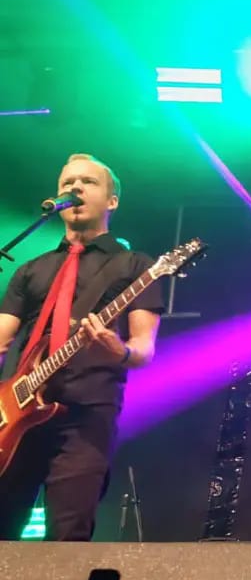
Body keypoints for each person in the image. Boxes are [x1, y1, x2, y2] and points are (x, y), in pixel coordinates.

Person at [0, 153, 164, 541]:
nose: (75, 188)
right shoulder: (31, 269)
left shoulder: (135, 265)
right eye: (67, 183)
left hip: (86, 415)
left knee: (67, 535)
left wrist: (118, 351)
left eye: (88, 182)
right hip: (15, 413)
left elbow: (143, 349)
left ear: (112, 200)